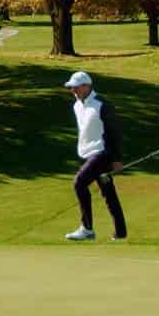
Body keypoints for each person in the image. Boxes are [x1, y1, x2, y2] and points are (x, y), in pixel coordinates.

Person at [63, 70, 126, 241]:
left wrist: (117, 159)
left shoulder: (101, 104)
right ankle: (120, 233)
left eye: (76, 87)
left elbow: (114, 132)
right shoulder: (77, 106)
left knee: (79, 183)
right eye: (71, 88)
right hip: (88, 153)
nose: (73, 91)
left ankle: (87, 228)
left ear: (87, 86)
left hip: (102, 152)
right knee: (108, 192)